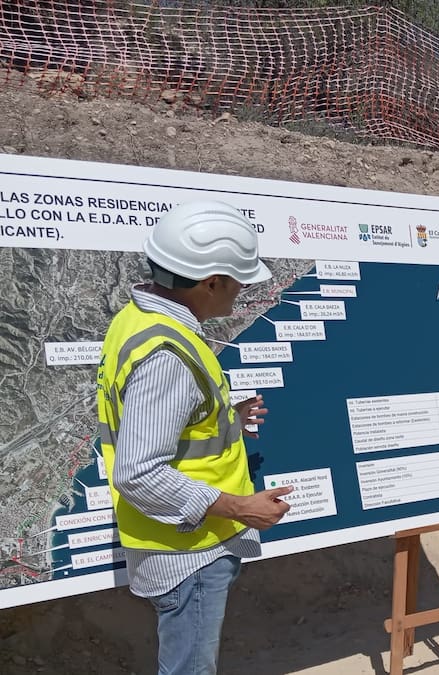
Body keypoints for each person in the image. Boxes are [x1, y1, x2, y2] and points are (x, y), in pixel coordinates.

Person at [96, 200, 294, 675]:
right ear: (211, 282)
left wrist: (226, 416)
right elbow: (138, 472)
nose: (243, 289)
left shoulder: (138, 320)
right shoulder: (166, 354)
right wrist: (239, 507)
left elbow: (156, 419)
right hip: (188, 553)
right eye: (239, 278)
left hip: (179, 544)